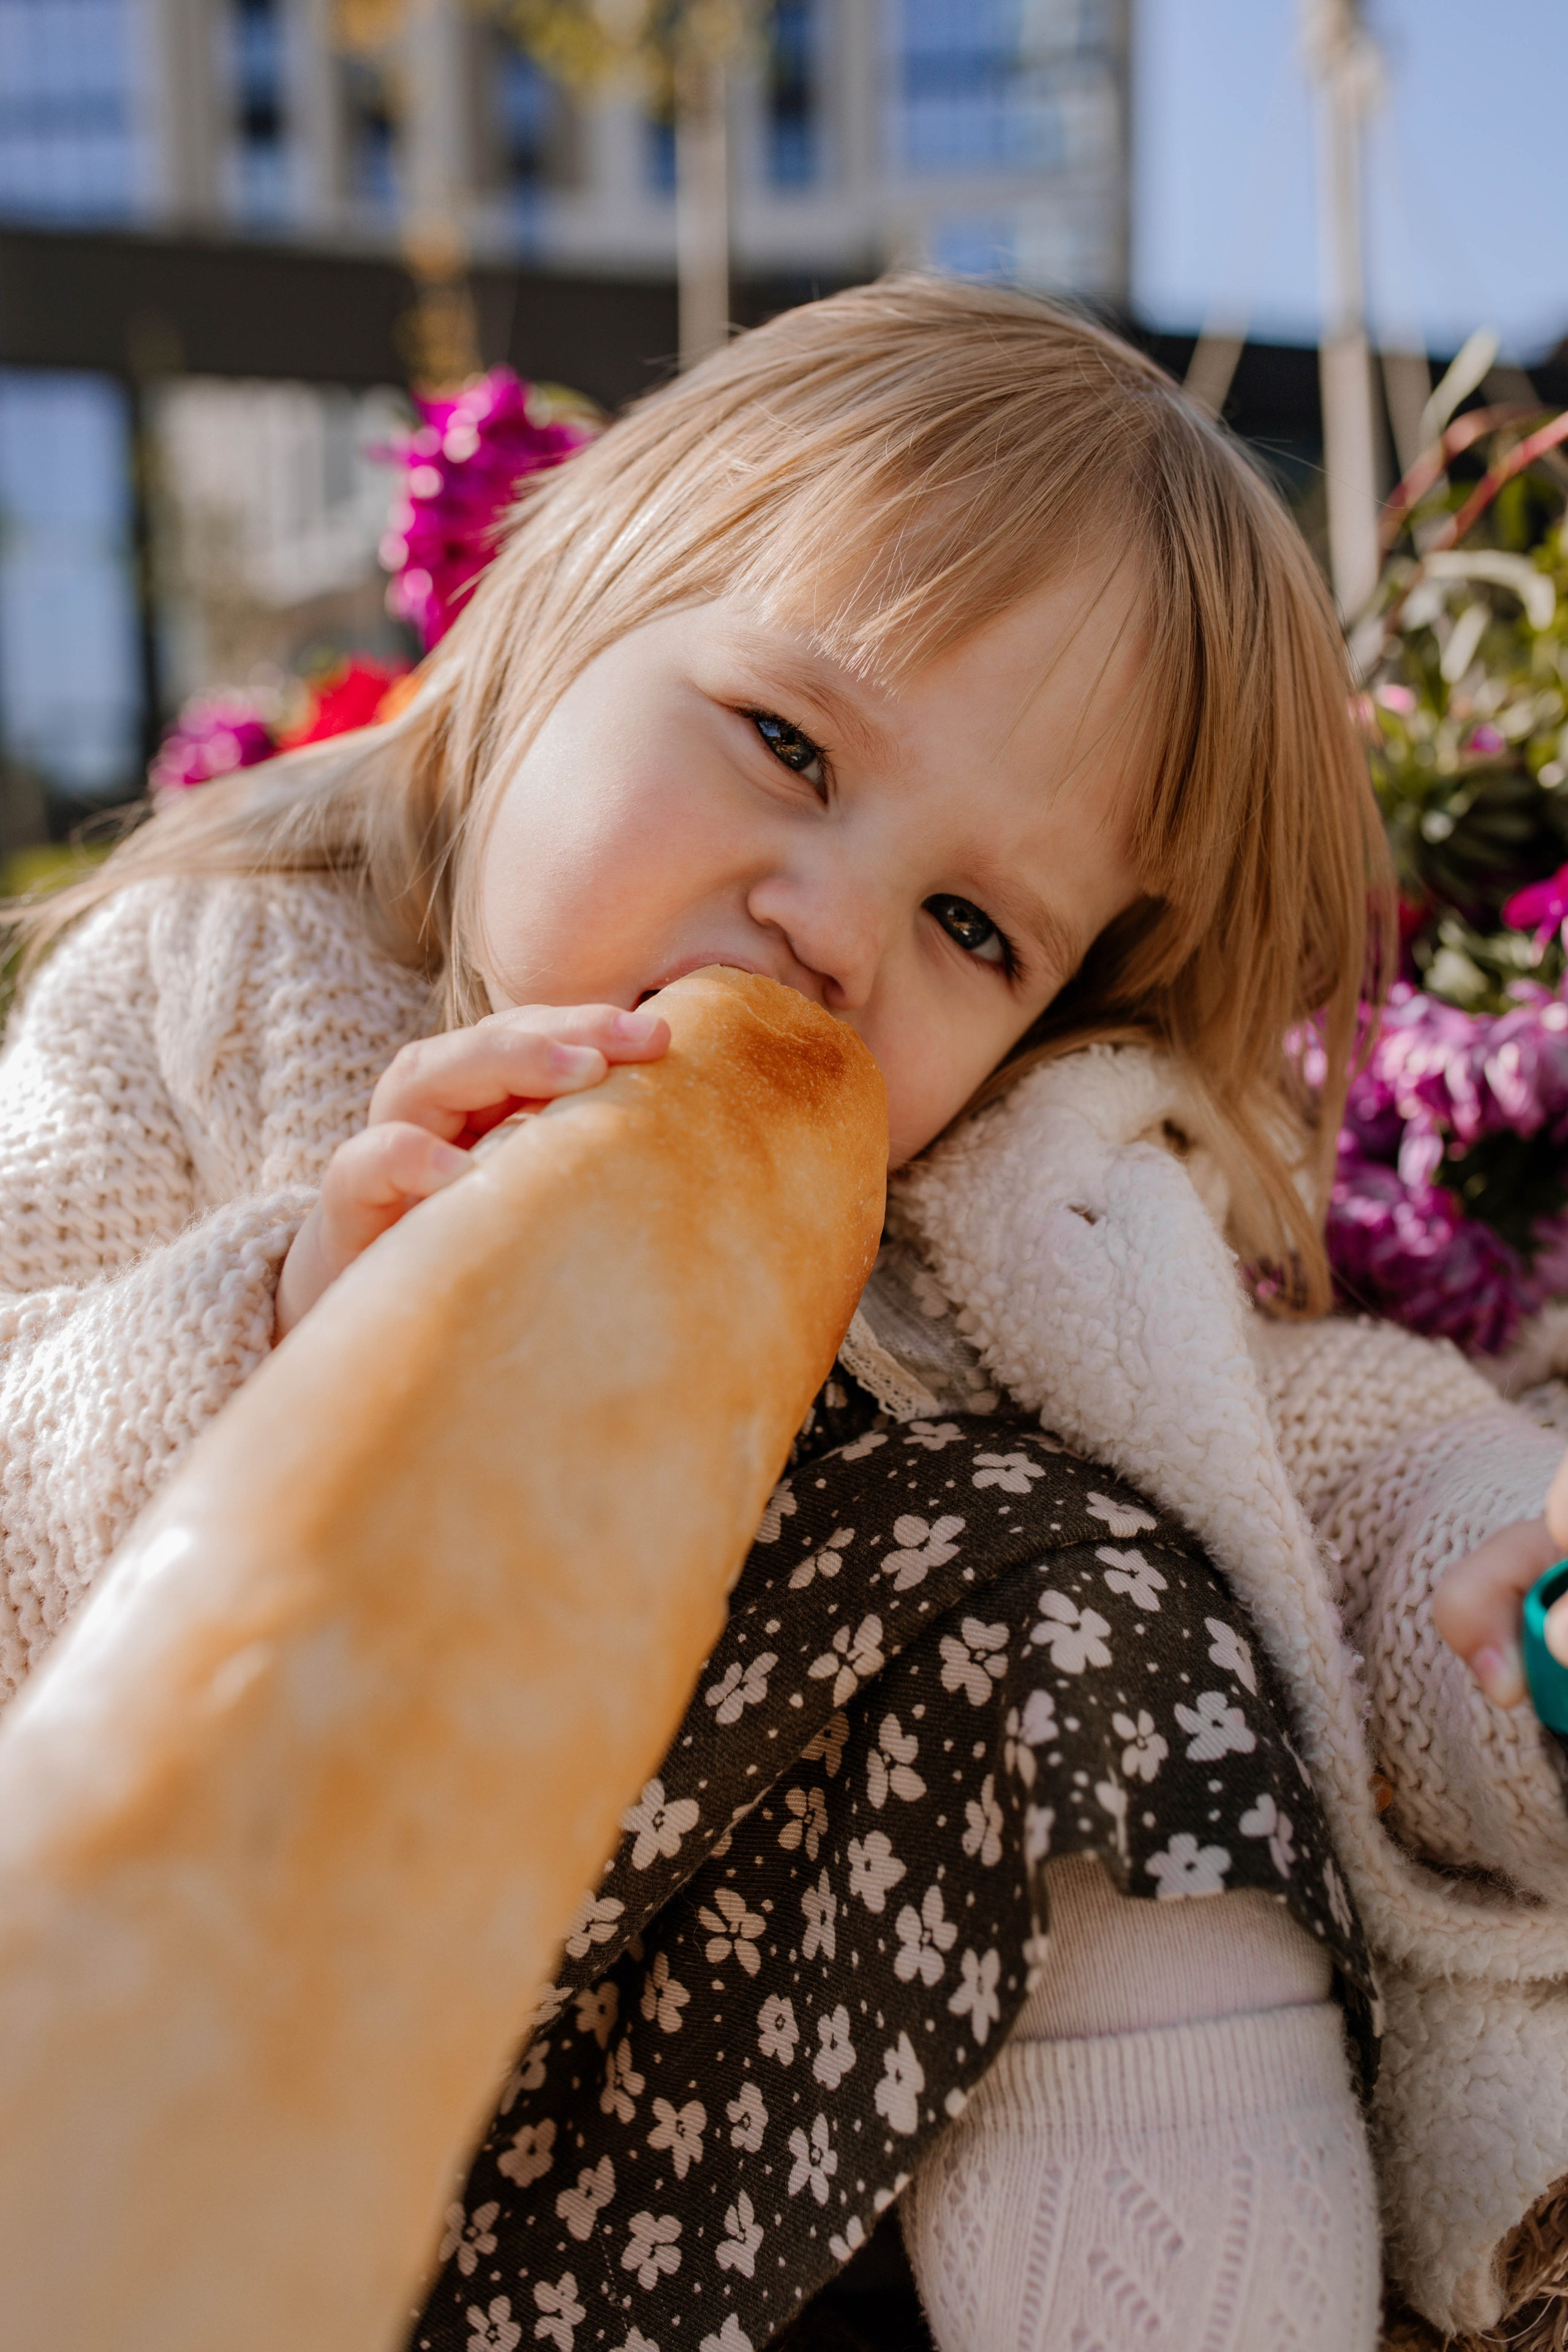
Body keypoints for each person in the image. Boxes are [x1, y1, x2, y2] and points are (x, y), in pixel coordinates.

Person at [2, 276, 1566, 2351]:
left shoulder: (1003, 1199)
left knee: (1093, 1621)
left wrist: (1499, 1572)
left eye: (971, 924)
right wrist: (280, 1315)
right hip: (281, 2076)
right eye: (788, 745)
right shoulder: (223, 993)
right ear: (583, 602)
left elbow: (1317, 1449)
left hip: (739, 2127)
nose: (832, 932)